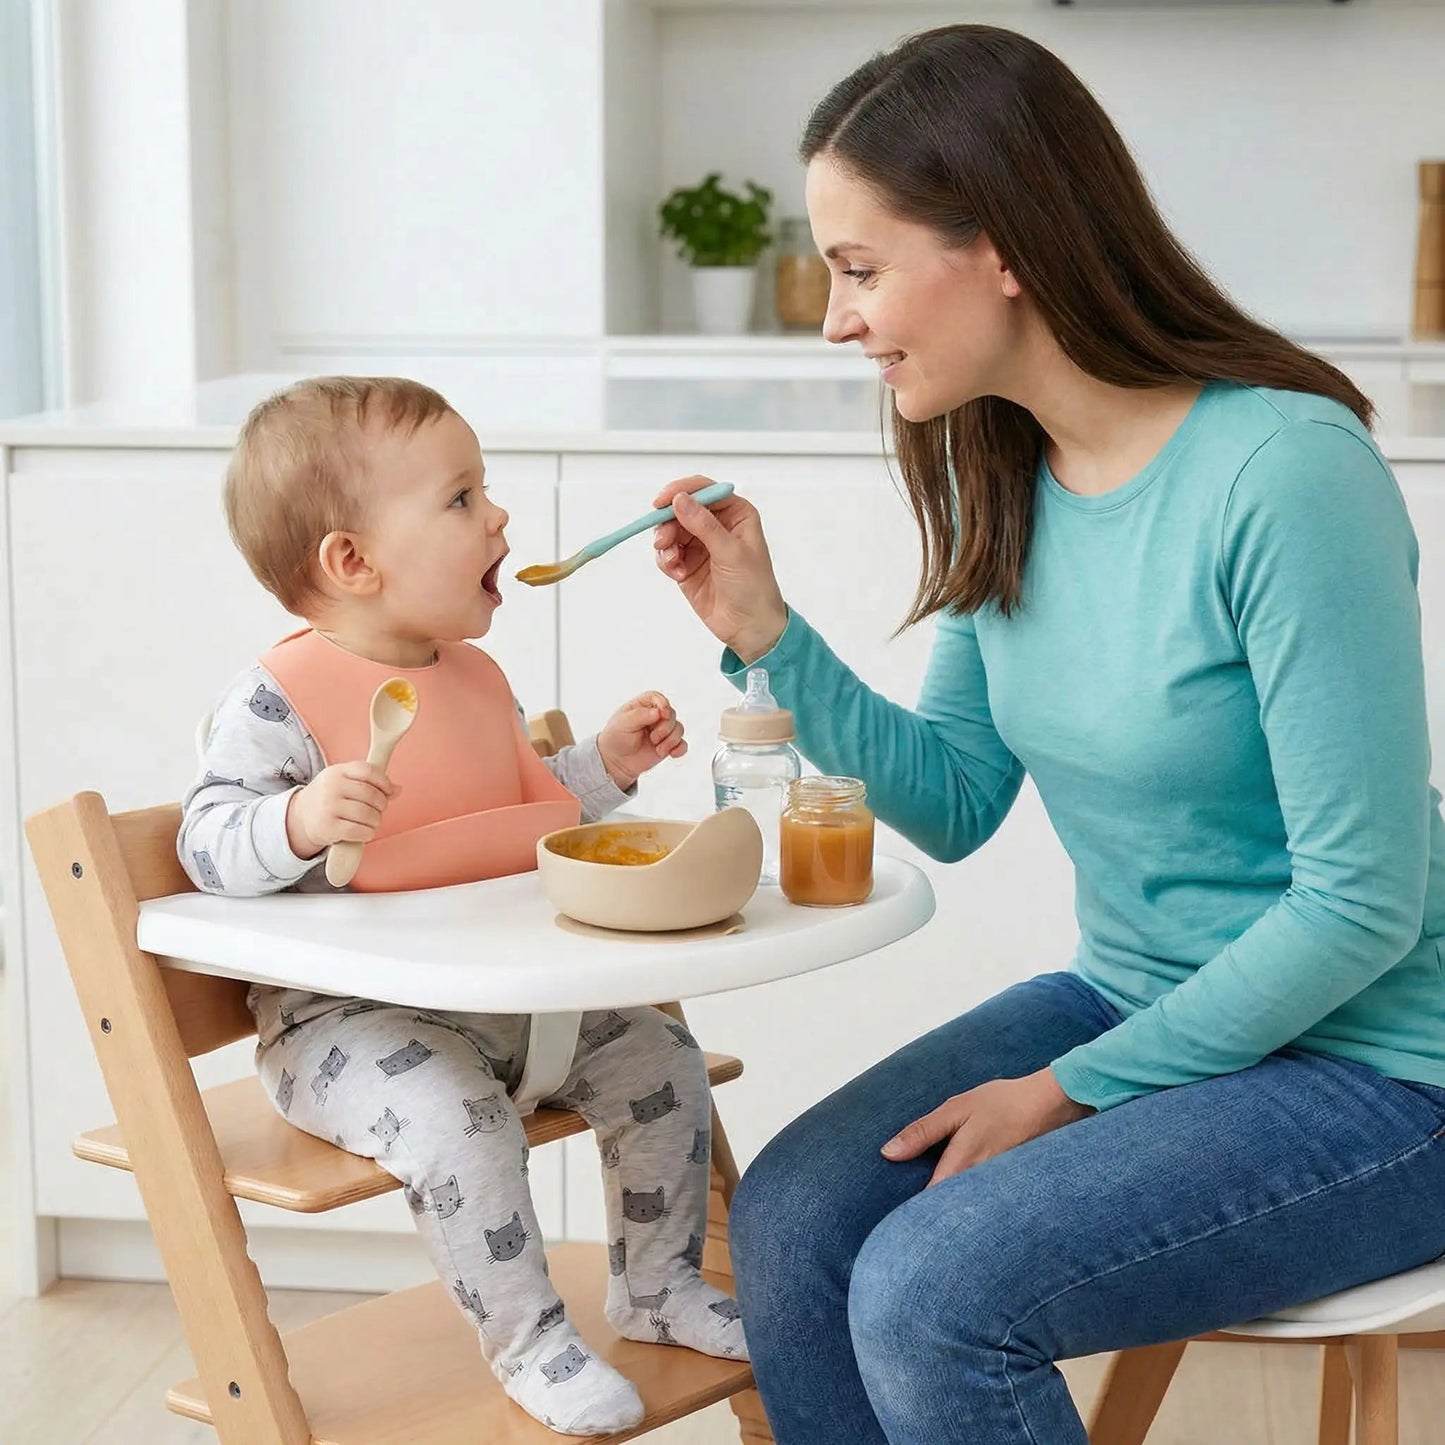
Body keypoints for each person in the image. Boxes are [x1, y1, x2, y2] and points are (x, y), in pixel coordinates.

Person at [651, 24, 1445, 1445]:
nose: (835, 320)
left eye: (859, 268)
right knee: (791, 1216)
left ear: (1003, 246)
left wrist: (1071, 1088)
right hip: (1136, 999)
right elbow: (956, 795)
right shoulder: (1000, 466)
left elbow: (1360, 902)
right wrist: (767, 628)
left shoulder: (1283, 475)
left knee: (931, 1290)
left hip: (1383, 1067)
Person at [179, 376, 745, 1437]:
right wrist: (297, 818)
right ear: (352, 561)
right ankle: (531, 1342)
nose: (497, 515)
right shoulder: (275, 699)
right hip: (344, 1028)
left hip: (514, 1008)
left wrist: (605, 764)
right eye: (460, 498)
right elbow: (203, 841)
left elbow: (518, 809)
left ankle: (659, 1285)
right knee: (459, 1123)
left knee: (662, 1059)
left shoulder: (474, 678)